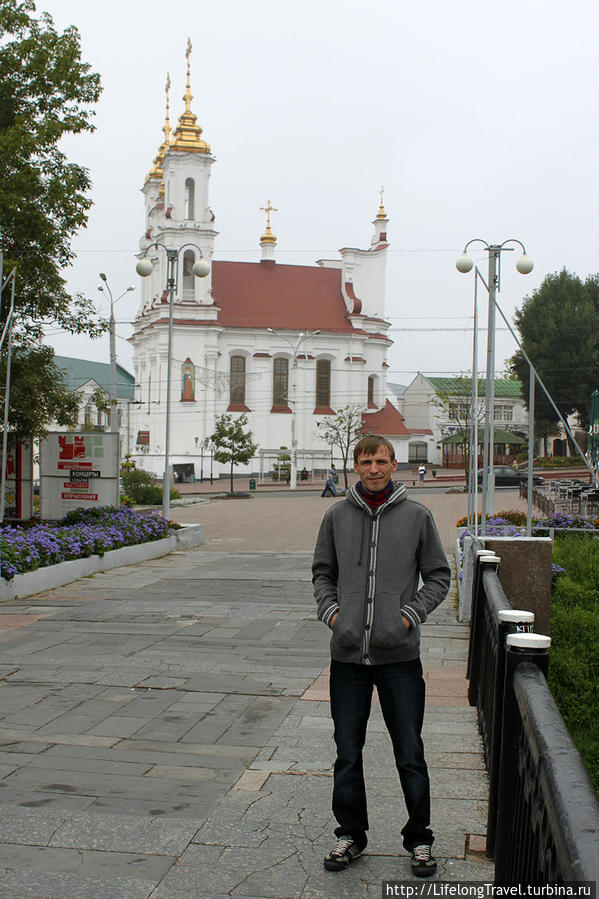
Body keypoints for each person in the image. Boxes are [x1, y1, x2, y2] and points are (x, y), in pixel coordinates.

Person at [312, 435, 450, 878]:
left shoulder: (416, 517)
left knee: (409, 750)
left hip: (400, 660)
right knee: (347, 751)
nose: (374, 468)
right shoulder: (336, 516)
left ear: (394, 465)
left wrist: (409, 616)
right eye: (366, 461)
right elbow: (322, 574)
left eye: (381, 461)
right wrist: (335, 616)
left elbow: (439, 577)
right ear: (355, 466)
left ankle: (420, 839)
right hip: (349, 658)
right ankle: (350, 834)